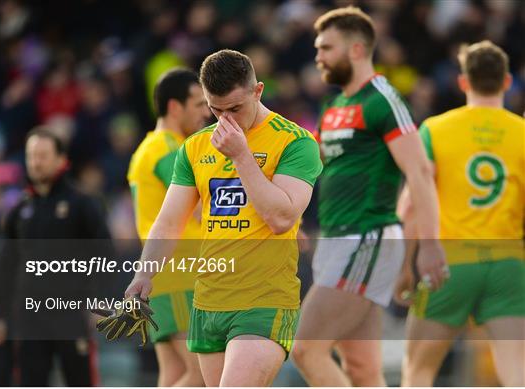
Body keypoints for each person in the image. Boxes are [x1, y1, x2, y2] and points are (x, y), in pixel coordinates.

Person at [124, 49, 323, 386]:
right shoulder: (194, 147)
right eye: (215, 110)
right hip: (208, 301)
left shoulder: (295, 141)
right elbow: (170, 221)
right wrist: (144, 275)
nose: (226, 120)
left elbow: (281, 219)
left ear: (258, 91)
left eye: (235, 109)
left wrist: (242, 156)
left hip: (264, 299)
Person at [290, 6, 447, 386]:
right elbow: (317, 171)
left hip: (367, 236)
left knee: (306, 349)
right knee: (363, 371)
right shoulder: (335, 106)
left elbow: (420, 172)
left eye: (326, 48)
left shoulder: (383, 99)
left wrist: (428, 245)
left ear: (357, 49)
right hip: (337, 239)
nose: (318, 57)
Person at [397, 40, 525, 387]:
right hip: (508, 262)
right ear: (507, 82)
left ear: (463, 82)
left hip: (450, 261)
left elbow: (410, 205)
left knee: (419, 370)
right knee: (516, 373)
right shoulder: (522, 133)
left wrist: (405, 266)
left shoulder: (436, 129)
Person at [0, 128, 111, 386]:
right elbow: (5, 265)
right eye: (32, 156)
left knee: (81, 381)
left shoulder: (81, 204)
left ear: (61, 159)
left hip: (72, 314)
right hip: (29, 316)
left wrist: (101, 302)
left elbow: (104, 253)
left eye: (42, 155)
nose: (36, 162)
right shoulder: (20, 210)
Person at [127, 67, 209, 386]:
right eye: (199, 104)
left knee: (175, 374)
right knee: (203, 375)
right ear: (175, 107)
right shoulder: (168, 148)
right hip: (178, 273)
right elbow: (203, 208)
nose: (206, 112)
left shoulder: (154, 146)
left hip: (165, 274)